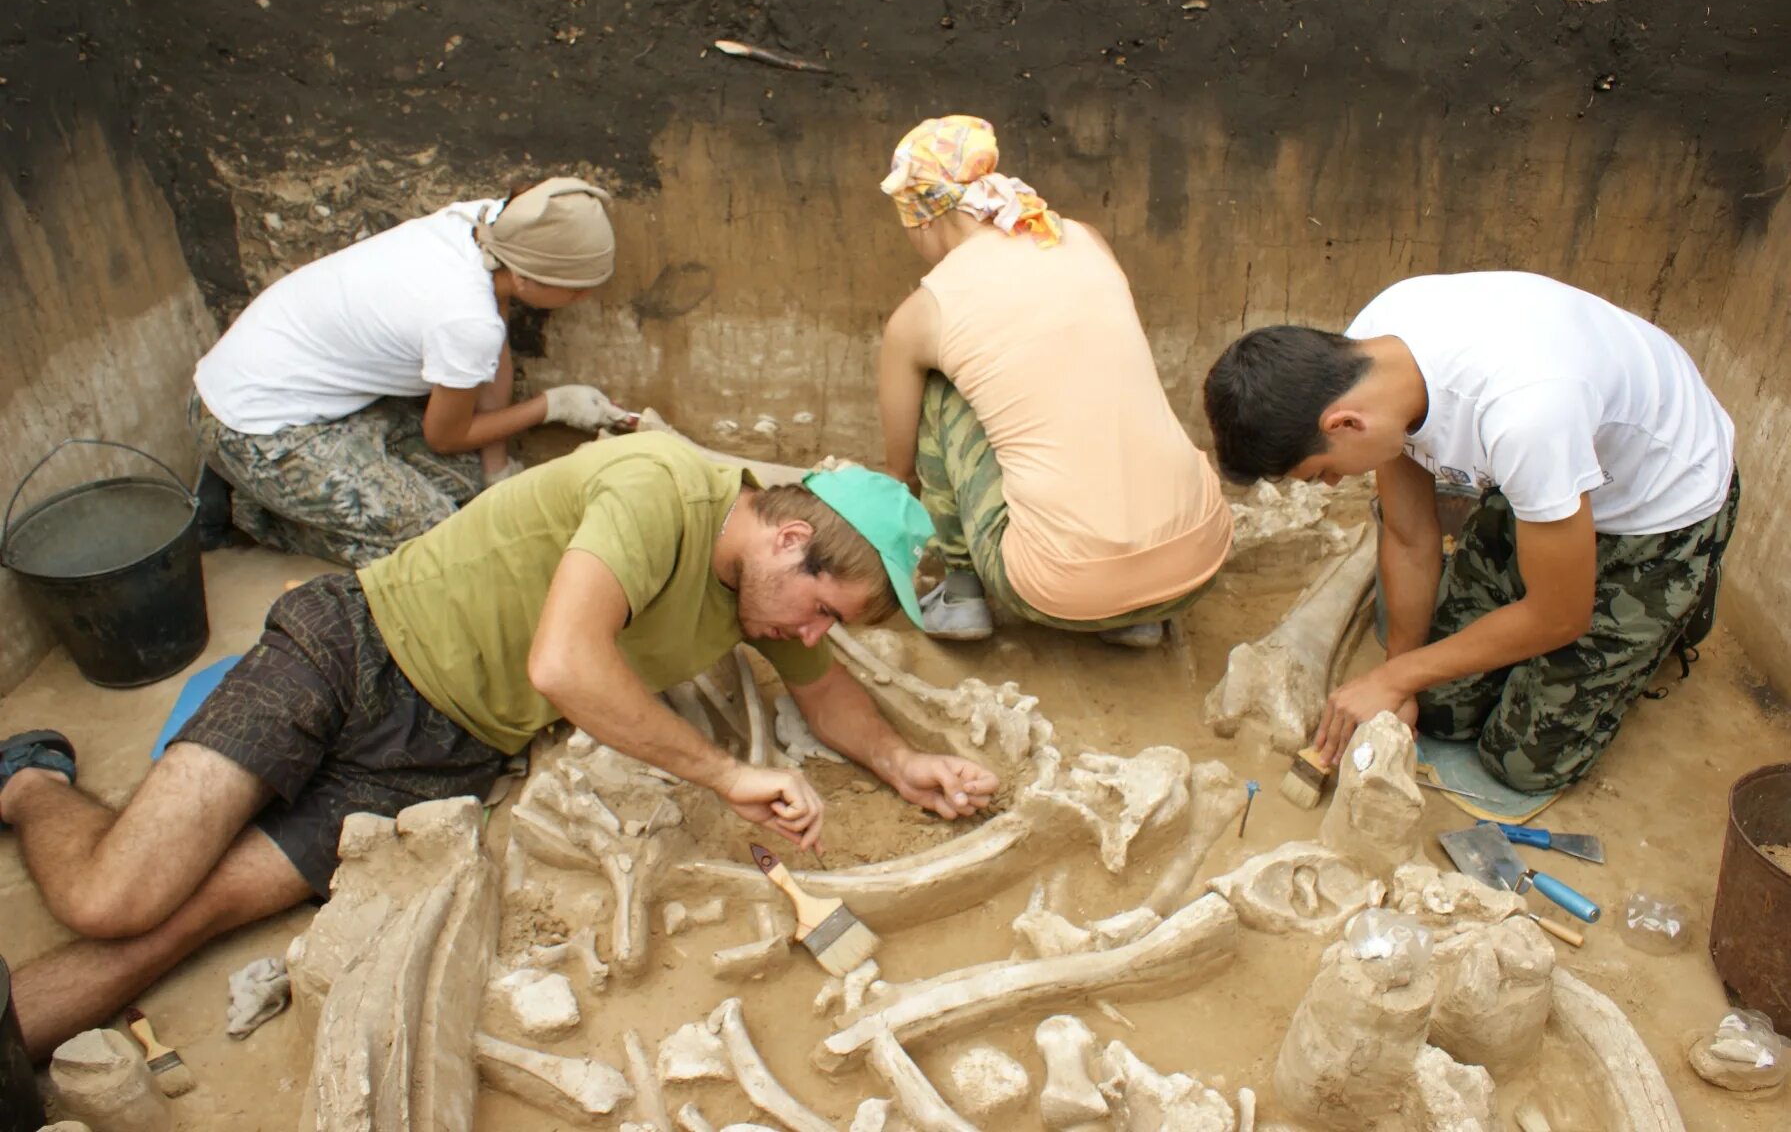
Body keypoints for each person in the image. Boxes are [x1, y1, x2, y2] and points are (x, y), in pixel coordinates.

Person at [0, 432, 1000, 1060]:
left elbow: (829, 705)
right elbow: (564, 664)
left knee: (191, 914)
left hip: (441, 761)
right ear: (789, 539)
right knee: (114, 897)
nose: (812, 637)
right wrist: (726, 771)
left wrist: (906, 763)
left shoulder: (762, 598)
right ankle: (33, 776)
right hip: (354, 653)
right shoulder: (660, 487)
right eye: (823, 610)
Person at [1203, 271, 1739, 791]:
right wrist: (1401, 678)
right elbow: (1410, 537)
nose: (1333, 482)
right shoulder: (1367, 358)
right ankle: (1572, 593)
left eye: (1323, 472)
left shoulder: (1526, 415)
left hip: (1658, 510)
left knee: (1520, 761)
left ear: (1344, 424)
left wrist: (1396, 679)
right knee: (1442, 709)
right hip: (1545, 482)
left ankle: (1677, 601)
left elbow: (1560, 614)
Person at [875, 115, 1233, 648]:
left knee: (942, 389)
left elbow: (902, 472)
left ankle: (962, 592)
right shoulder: (1082, 238)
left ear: (922, 218)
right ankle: (1136, 617)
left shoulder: (926, 312)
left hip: (1055, 591)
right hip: (1198, 564)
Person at [191, 176, 634, 566]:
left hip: (318, 399)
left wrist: (496, 472)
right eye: (576, 290)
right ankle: (259, 512)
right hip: (252, 428)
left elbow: (491, 348)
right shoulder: (463, 317)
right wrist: (554, 405)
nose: (583, 299)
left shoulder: (488, 223)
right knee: (445, 543)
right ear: (525, 279)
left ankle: (293, 497)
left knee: (473, 488)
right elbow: (446, 434)